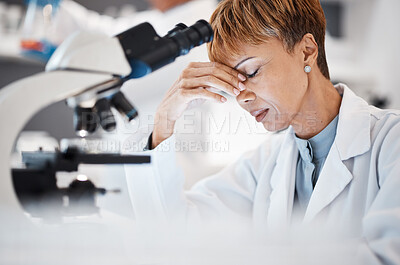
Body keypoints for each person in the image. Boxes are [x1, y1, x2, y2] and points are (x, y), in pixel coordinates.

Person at [124, 0, 400, 263]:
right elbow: (174, 237)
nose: (242, 97)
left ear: (306, 51)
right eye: (234, 82)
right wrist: (164, 122)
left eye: (252, 72)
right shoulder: (263, 167)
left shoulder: (391, 144)